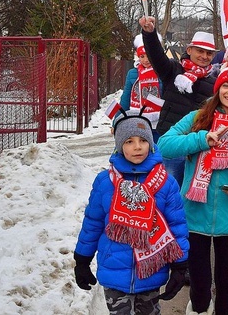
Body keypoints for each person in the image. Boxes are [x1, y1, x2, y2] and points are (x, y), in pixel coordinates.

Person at [158, 61, 228, 315]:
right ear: (217, 89)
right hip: (195, 217)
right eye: (226, 85)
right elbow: (164, 144)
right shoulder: (198, 118)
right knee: (200, 285)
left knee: (226, 285)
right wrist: (201, 140)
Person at [74, 113, 190, 315]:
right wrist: (82, 260)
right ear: (119, 145)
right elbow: (92, 223)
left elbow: (177, 225)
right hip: (113, 271)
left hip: (151, 270)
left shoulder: (165, 182)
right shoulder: (105, 181)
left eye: (143, 140)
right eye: (129, 141)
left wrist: (180, 266)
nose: (137, 146)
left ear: (151, 144)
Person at [138, 16, 218, 187]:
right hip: (171, 142)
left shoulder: (215, 81)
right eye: (200, 51)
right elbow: (156, 56)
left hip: (198, 145)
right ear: (189, 50)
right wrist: (149, 34)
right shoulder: (174, 70)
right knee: (169, 190)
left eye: (209, 53)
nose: (204, 56)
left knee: (192, 192)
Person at [112, 34, 163, 138]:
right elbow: (126, 98)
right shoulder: (133, 73)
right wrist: (116, 121)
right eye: (142, 56)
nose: (146, 60)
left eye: (148, 55)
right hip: (137, 120)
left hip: (159, 122)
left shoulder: (162, 72)